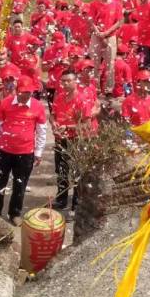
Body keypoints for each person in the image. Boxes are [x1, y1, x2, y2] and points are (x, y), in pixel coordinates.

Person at [0, 75, 47, 225]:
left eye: (28, 92)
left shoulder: (38, 106)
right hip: (3, 151)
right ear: (16, 90)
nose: (24, 95)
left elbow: (42, 131)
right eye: (21, 92)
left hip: (25, 152)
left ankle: (15, 213)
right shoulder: (6, 103)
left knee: (20, 184)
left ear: (32, 92)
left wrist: (38, 152)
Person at [50, 69, 91, 213]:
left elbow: (86, 125)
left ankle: (76, 204)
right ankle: (61, 200)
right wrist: (54, 123)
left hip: (76, 141)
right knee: (61, 171)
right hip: (60, 139)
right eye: (63, 81)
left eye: (69, 81)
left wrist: (68, 126)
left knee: (76, 173)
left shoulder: (82, 100)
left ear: (76, 82)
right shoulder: (59, 97)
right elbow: (52, 115)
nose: (65, 84)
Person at [88, 0, 123, 95]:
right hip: (96, 37)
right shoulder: (94, 4)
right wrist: (99, 33)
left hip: (111, 37)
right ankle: (95, 89)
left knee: (110, 64)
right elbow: (91, 21)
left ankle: (109, 90)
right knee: (94, 63)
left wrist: (106, 33)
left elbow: (118, 22)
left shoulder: (117, 5)